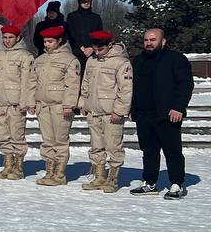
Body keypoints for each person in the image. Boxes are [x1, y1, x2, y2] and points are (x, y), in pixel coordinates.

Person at [129, 27, 194, 199]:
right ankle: (149, 182)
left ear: (163, 41)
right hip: (143, 114)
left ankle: (176, 184)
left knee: (172, 151)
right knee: (149, 151)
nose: (149, 43)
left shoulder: (175, 59)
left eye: (153, 40)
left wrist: (178, 107)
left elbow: (185, 84)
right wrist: (132, 108)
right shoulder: (138, 60)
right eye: (146, 40)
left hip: (168, 113)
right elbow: (133, 87)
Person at [77, 30, 132, 194]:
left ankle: (113, 178)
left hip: (111, 113)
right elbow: (85, 84)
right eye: (94, 48)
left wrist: (119, 111)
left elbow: (126, 89)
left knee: (113, 146)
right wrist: (83, 103)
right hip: (94, 110)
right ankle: (99, 176)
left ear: (110, 45)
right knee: (96, 146)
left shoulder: (121, 62)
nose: (96, 51)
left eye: (100, 48)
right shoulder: (91, 61)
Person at [31, 26, 80, 186]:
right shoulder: (40, 60)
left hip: (60, 107)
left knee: (60, 141)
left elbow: (72, 85)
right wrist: (32, 102)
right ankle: (49, 171)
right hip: (43, 106)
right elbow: (33, 83)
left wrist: (69, 105)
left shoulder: (70, 60)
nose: (46, 44)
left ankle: (59, 174)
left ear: (59, 41)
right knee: (47, 140)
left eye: (50, 41)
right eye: (45, 41)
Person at [0, 24, 36, 180]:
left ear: (18, 38)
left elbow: (28, 81)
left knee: (17, 136)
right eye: (5, 38)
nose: (7, 41)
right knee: (3, 136)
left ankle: (18, 167)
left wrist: (25, 103)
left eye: (10, 38)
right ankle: (8, 165)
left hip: (15, 103)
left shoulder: (25, 56)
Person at [65, 0, 103, 67]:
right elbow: (70, 34)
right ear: (79, 2)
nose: (86, 3)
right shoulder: (72, 16)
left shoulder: (96, 17)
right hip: (75, 53)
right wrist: (81, 47)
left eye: (88, 1)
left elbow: (99, 35)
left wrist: (92, 47)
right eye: (83, 1)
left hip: (93, 53)